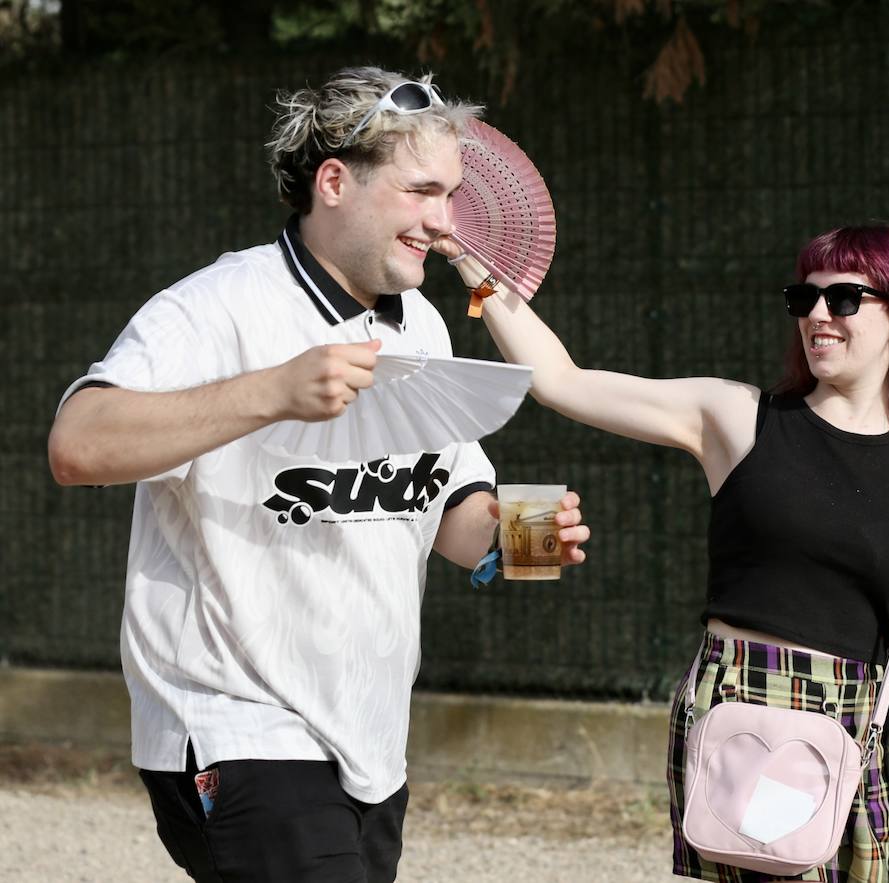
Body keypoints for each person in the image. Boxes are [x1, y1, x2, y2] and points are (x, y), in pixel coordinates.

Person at [46, 66, 590, 883]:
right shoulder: (218, 305)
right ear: (334, 181)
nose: (444, 221)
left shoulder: (425, 323)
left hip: (371, 738)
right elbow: (76, 444)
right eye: (422, 192)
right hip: (237, 725)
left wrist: (530, 535)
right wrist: (271, 391)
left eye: (451, 195)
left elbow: (448, 507)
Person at [439, 223, 889, 881]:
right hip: (743, 713)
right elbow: (560, 380)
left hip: (852, 733)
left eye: (842, 299)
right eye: (802, 298)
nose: (816, 315)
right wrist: (473, 263)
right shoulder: (737, 418)